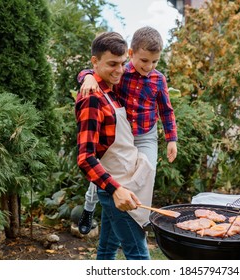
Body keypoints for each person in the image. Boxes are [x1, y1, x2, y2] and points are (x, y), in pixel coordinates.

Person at [77, 26, 178, 234]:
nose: (148, 66)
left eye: (155, 61)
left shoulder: (158, 79)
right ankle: (89, 208)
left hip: (145, 134)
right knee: (103, 172)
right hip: (121, 133)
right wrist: (87, 76)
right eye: (144, 61)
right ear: (131, 54)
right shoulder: (121, 72)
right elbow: (96, 70)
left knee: (147, 172)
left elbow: (166, 110)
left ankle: (139, 220)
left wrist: (171, 139)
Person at [75, 31, 156, 260]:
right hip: (116, 189)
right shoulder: (92, 98)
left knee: (107, 250)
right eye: (112, 64)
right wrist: (115, 189)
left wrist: (87, 75)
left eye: (122, 63)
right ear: (95, 62)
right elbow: (85, 157)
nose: (119, 70)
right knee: (139, 255)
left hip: (126, 184)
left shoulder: (111, 91)